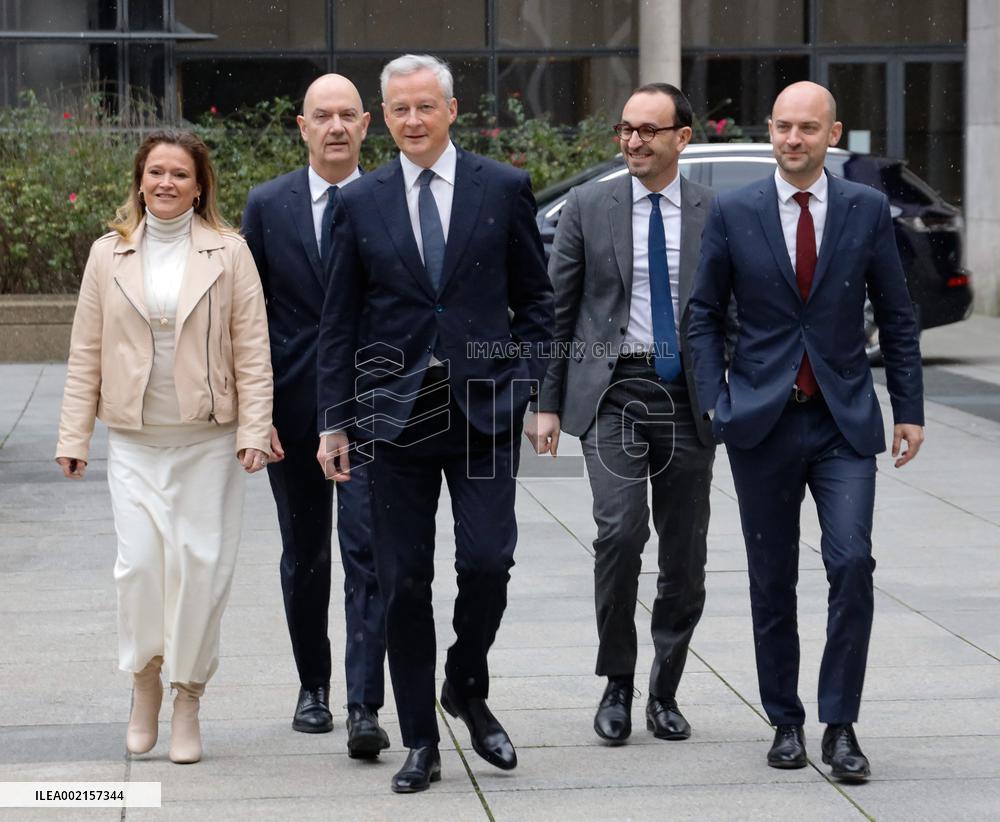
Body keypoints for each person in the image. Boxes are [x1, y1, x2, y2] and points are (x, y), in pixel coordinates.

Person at [316, 54, 553, 793]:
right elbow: (339, 323)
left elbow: (536, 303)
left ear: (452, 110)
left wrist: (534, 390)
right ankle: (421, 738)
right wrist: (333, 423)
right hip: (393, 421)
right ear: (382, 118)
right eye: (399, 110)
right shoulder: (361, 202)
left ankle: (465, 686)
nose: (413, 120)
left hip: (485, 413)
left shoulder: (502, 188)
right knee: (402, 581)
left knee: (487, 562)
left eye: (426, 106)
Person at [686, 81, 925, 782]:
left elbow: (897, 314)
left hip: (841, 420)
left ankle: (841, 725)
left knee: (851, 564)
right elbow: (703, 313)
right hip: (761, 421)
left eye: (808, 128)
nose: (793, 138)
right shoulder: (735, 210)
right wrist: (715, 402)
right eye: (783, 126)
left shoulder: (864, 208)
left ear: (833, 135)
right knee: (772, 579)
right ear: (771, 130)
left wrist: (908, 409)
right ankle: (785, 722)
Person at [55, 130, 273, 764]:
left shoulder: (230, 252)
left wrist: (254, 430)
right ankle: (145, 682)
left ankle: (188, 697)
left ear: (199, 185)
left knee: (201, 570)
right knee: (140, 568)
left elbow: (252, 348)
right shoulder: (109, 254)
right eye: (156, 172)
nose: (166, 183)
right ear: (140, 180)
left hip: (207, 440)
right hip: (135, 440)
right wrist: (74, 434)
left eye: (180, 173)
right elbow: (85, 349)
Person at [527, 83, 732, 745]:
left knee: (685, 553)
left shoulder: (714, 212)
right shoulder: (589, 205)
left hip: (688, 399)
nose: (633, 141)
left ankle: (664, 689)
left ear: (683, 138)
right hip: (612, 389)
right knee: (619, 532)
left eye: (648, 130)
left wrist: (740, 394)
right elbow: (557, 308)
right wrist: (545, 402)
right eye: (625, 129)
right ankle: (617, 680)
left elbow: (737, 310)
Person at [242, 74, 389, 759]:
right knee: (305, 554)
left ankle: (363, 703)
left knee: (368, 553)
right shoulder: (268, 205)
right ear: (301, 127)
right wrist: (256, 411)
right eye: (321, 116)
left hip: (374, 407)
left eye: (346, 115)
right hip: (294, 409)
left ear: (365, 125)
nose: (335, 126)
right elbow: (247, 316)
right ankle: (313, 687)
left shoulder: (389, 199)